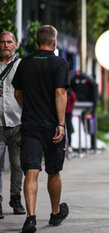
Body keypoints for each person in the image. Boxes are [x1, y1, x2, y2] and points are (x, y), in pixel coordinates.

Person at [12, 25, 69, 233]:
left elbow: (18, 94)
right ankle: (55, 213)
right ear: (54, 42)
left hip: (30, 125)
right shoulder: (59, 63)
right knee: (54, 171)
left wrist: (29, 111)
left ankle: (31, 218)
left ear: (37, 41)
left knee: (31, 172)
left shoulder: (24, 63)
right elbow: (60, 93)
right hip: (53, 127)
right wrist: (60, 124)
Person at [0, 31, 26, 219]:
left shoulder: (22, 66)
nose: (5, 45)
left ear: (15, 44)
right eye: (2, 42)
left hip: (17, 123)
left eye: (9, 42)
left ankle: (15, 198)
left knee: (17, 165)